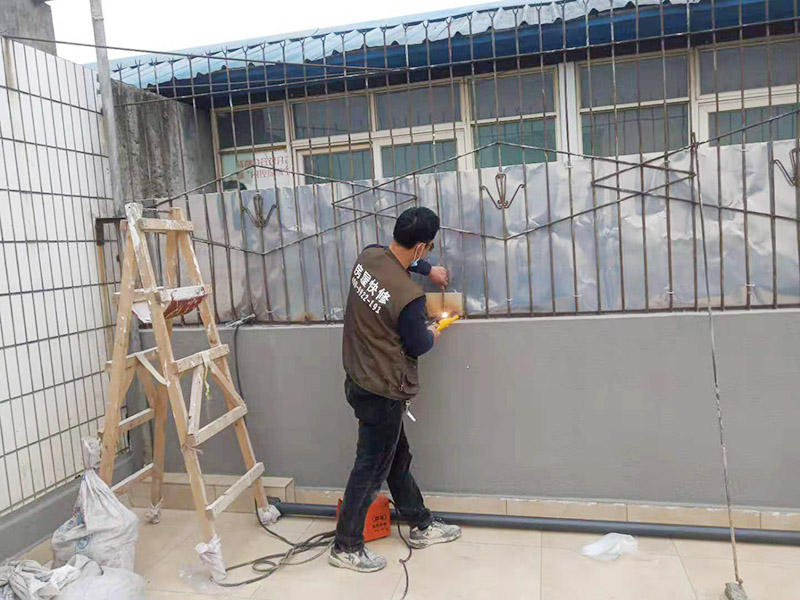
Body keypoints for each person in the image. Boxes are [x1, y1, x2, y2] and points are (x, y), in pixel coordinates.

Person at [329, 206, 462, 573]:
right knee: (371, 467)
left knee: (396, 458)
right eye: (429, 248)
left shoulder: (367, 257)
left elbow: (398, 261)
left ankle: (420, 523)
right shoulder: (409, 297)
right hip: (383, 389)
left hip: (359, 377)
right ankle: (346, 545)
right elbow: (418, 344)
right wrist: (434, 330)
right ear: (421, 246)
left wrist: (427, 269)